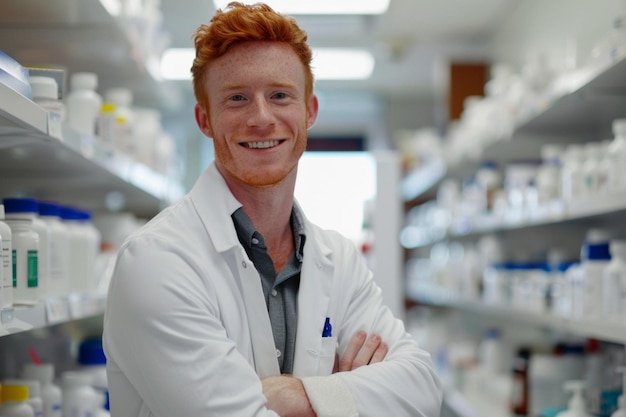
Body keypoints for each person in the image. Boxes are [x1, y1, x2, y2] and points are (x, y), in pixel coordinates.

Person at [102, 2, 442, 416]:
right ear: (205, 119)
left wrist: (295, 395)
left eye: (280, 95)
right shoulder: (157, 261)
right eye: (237, 98)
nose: (261, 118)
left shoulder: (340, 261)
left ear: (309, 111)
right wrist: (345, 395)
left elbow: (422, 388)